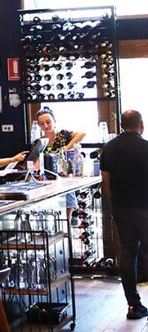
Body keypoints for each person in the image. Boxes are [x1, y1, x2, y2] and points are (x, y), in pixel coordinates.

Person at [100, 109, 148, 320]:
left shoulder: (109, 148)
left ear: (121, 125)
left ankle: (133, 305)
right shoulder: (146, 147)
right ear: (141, 125)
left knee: (128, 256)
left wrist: (113, 208)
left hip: (122, 210)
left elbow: (105, 181)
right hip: (145, 208)